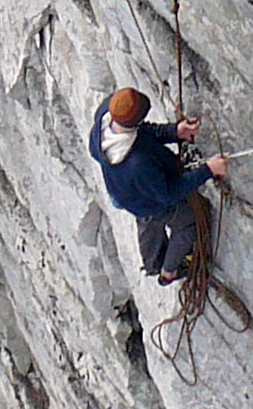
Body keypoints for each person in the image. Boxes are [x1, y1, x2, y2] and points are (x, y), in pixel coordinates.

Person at [88, 87, 229, 284]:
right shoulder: (138, 164)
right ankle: (169, 271)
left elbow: (143, 132)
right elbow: (169, 194)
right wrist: (208, 170)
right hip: (148, 198)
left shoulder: (105, 116)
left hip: (126, 191)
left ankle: (153, 263)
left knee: (147, 220)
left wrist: (175, 132)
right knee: (188, 221)